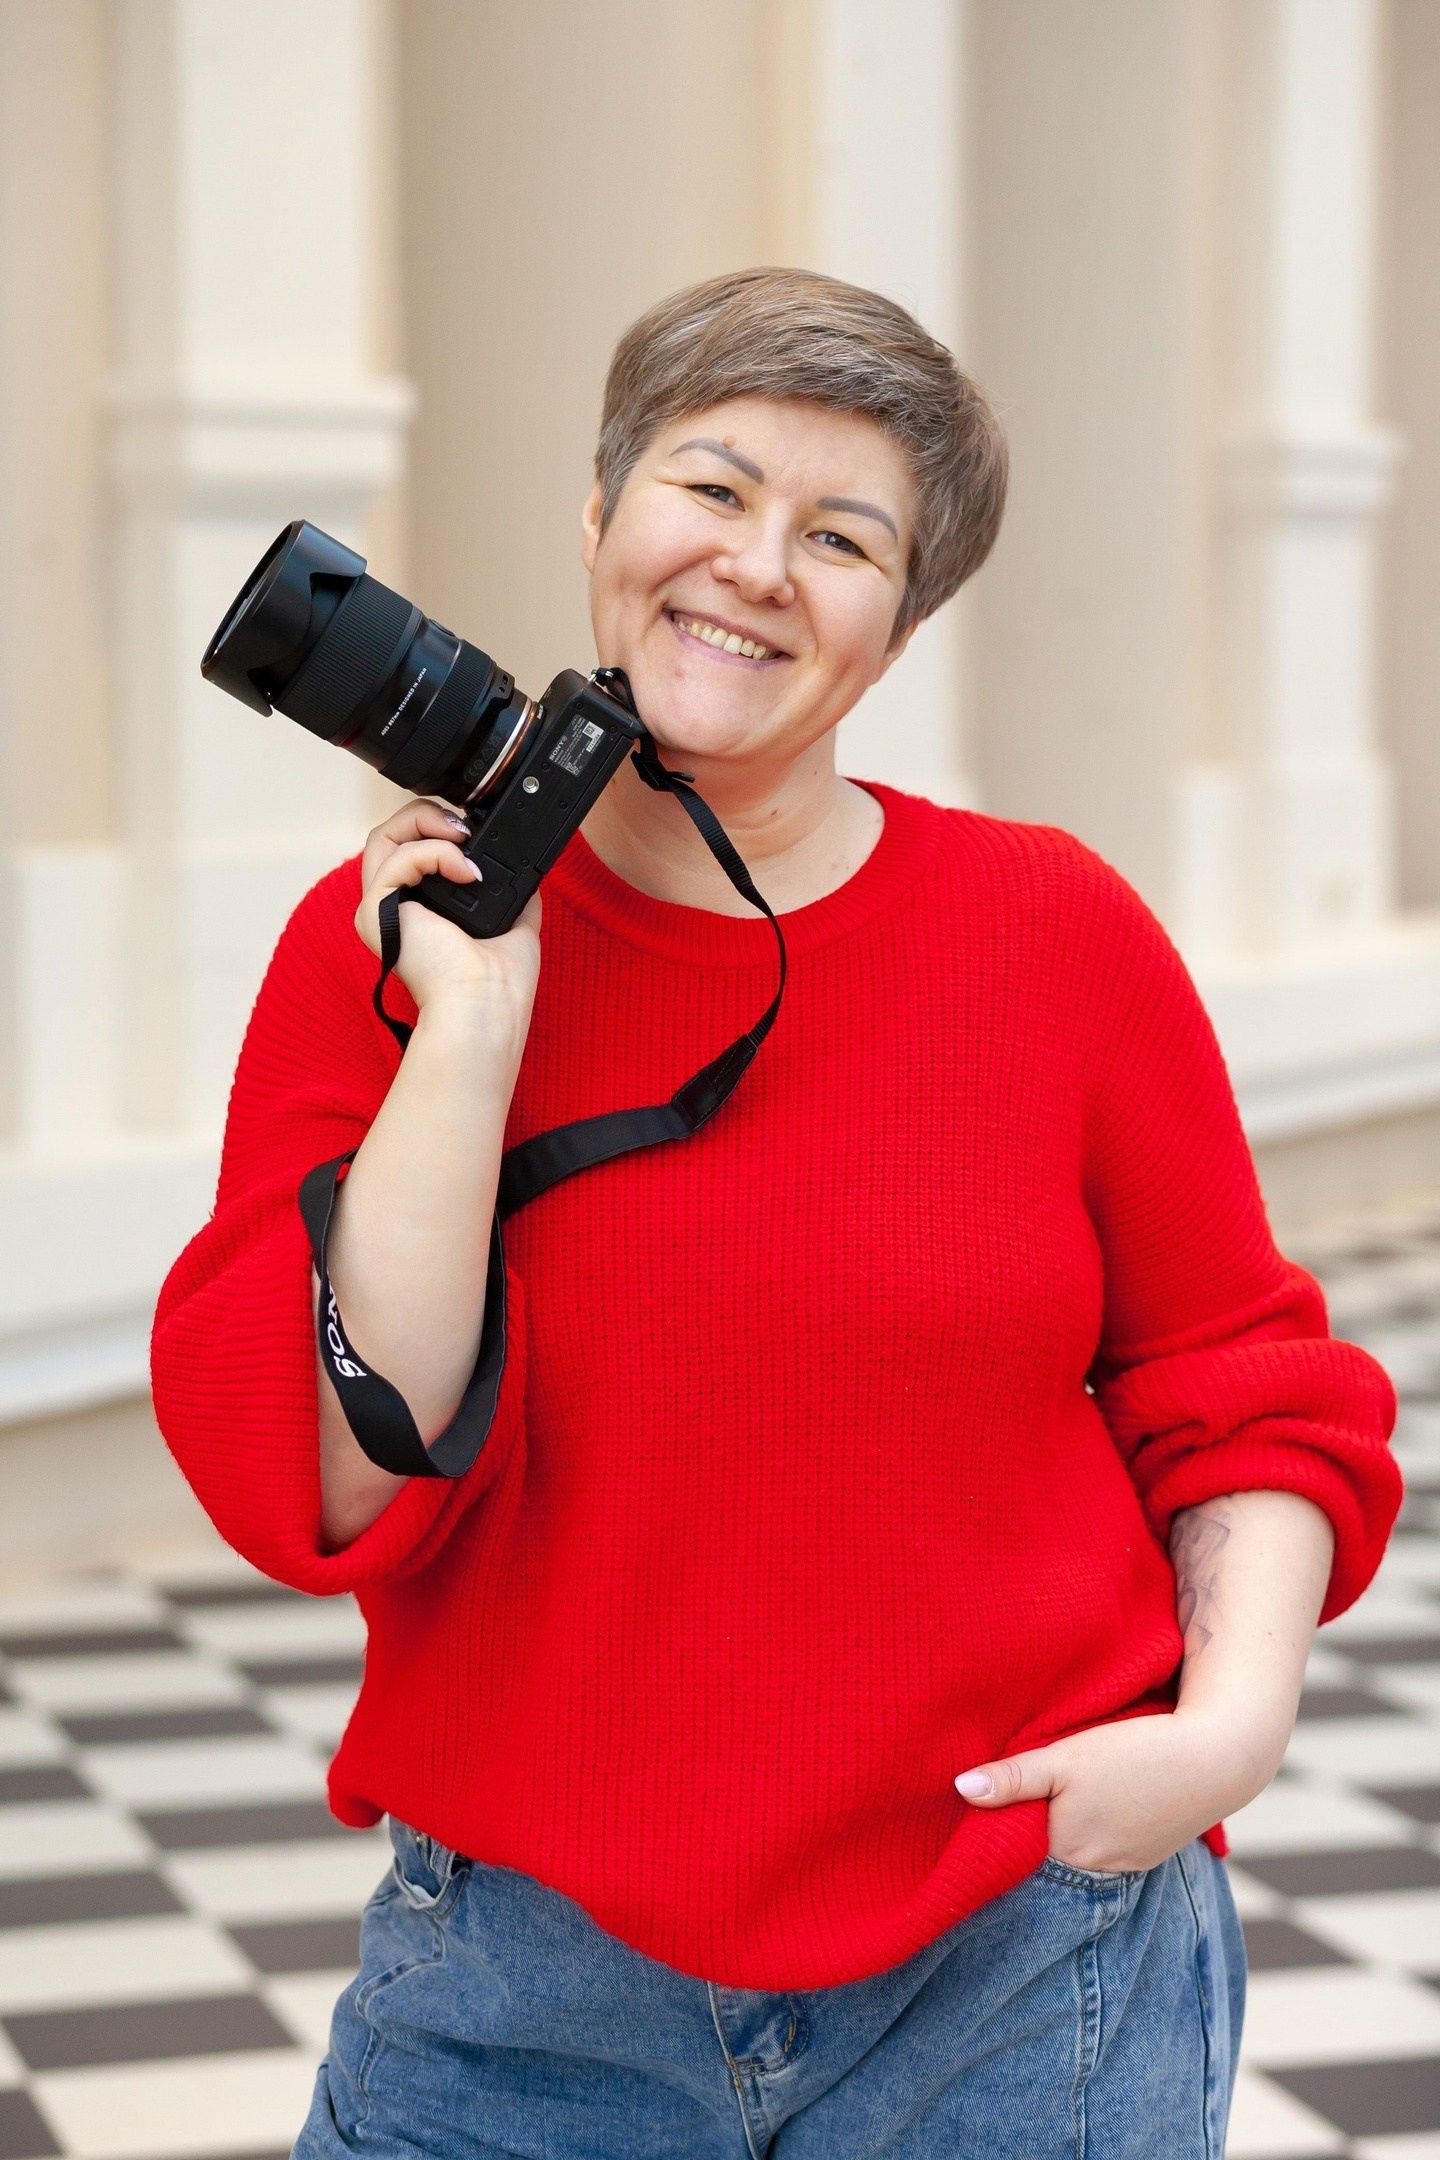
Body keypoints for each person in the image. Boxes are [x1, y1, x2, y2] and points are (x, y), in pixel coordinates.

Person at [153, 267, 1400, 2158]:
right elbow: (334, 1474)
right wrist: (472, 1025)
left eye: (840, 538)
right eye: (712, 488)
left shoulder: (1048, 932)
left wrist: (1225, 1732)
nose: (754, 565)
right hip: (523, 2000)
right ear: (598, 517)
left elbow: (1240, 1380)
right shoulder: (383, 967)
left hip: (1018, 1966)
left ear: (894, 631)